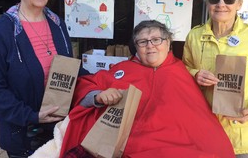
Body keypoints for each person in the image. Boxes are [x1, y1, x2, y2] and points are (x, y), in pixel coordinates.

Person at [30, 20, 235, 158]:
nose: (150, 46)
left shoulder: (182, 71)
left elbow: (201, 120)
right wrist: (98, 96)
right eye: (143, 42)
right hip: (125, 148)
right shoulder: (123, 69)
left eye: (156, 40)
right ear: (135, 46)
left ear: (168, 43)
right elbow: (88, 84)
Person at [0, 0, 74, 157]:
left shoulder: (58, 24)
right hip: (23, 133)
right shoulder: (1, 31)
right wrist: (31, 115)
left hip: (59, 130)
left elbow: (70, 69)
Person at [182, 0, 248, 158]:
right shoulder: (194, 36)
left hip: (240, 131)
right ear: (208, 3)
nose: (221, 4)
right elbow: (182, 71)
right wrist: (195, 73)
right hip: (202, 128)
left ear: (239, 4)